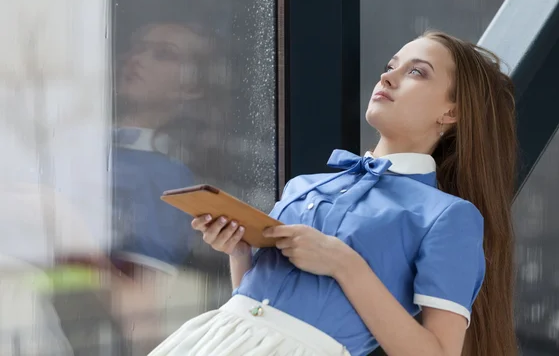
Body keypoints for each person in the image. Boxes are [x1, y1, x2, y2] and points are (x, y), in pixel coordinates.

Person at [149, 31, 518, 356]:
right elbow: (258, 304)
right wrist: (239, 251)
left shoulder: (449, 216)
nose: (387, 77)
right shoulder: (304, 186)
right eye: (392, 66)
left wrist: (344, 264)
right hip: (216, 337)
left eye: (416, 72)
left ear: (451, 112)